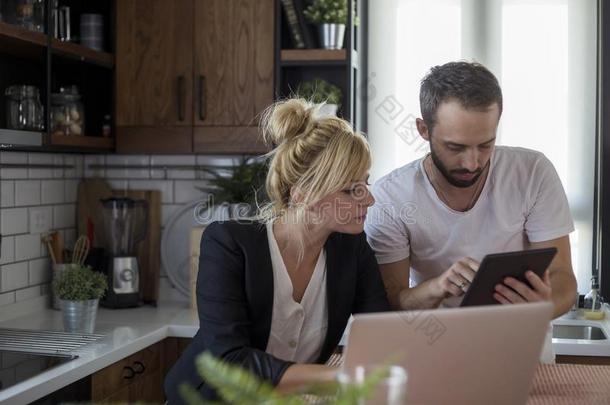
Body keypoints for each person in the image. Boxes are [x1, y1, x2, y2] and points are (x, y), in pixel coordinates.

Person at [164, 98, 390, 403]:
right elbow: (230, 360)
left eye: (366, 183)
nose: (370, 200)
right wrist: (337, 377)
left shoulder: (353, 249)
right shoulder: (227, 243)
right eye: (352, 190)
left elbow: (380, 333)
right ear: (302, 194)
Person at [364, 61, 577, 362]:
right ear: (423, 130)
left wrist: (546, 304)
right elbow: (392, 302)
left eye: (485, 145)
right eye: (455, 147)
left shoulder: (533, 172)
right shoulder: (391, 196)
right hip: (437, 354)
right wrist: (436, 288)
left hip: (524, 353)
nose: (472, 163)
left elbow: (564, 278)